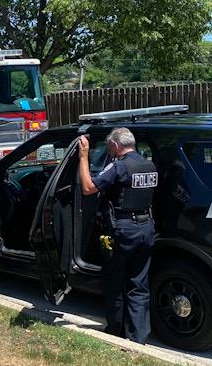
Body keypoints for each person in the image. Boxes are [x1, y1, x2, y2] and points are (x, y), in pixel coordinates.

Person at [78, 128, 157, 344]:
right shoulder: (149, 165)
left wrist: (83, 157)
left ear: (115, 145)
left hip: (123, 232)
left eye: (109, 147)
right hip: (146, 230)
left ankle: (115, 332)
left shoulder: (120, 166)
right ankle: (138, 339)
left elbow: (87, 188)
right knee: (139, 286)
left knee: (114, 282)